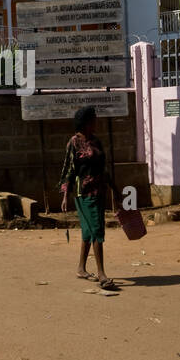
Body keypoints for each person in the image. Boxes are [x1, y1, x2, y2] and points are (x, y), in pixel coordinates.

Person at [59, 106, 119, 291]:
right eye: (94, 119)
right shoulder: (74, 142)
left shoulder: (96, 142)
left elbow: (104, 168)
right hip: (83, 192)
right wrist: (65, 195)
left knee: (88, 231)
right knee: (97, 230)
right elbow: (69, 169)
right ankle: (102, 274)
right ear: (85, 122)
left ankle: (81, 269)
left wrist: (115, 189)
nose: (96, 121)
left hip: (99, 191)